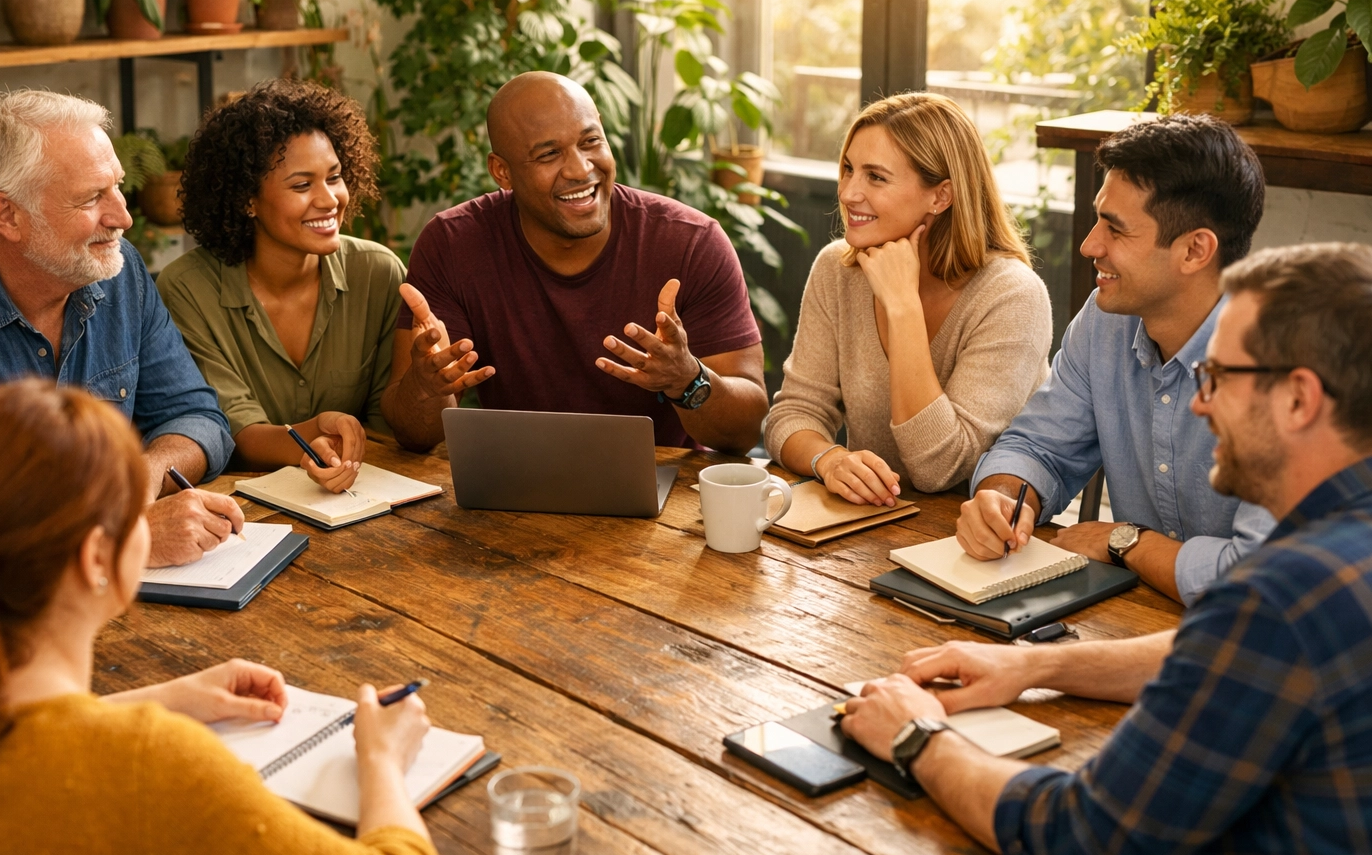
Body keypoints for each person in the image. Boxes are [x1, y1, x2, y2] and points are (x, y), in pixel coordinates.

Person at [842, 243, 1372, 855]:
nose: (1201, 402)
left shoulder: (1278, 596)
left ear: (1299, 399)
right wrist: (1035, 666)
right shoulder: (1333, 555)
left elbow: (1079, 843)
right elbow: (1216, 653)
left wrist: (916, 737)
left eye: (1218, 376)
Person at [0, 379, 444, 855]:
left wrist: (157, 699)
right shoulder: (151, 772)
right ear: (97, 559)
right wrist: (382, 759)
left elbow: (18, 740)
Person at [0, 90, 243, 597]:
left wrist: (145, 474)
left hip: (84, 606)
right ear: (7, 215)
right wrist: (118, 543)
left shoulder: (119, 274)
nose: (123, 217)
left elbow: (198, 417)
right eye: (92, 198)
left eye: (117, 188)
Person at [958, 114, 1275, 604]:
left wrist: (1127, 541)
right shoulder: (1106, 321)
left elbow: (1262, 578)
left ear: (1195, 250)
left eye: (1116, 230)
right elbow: (1039, 446)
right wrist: (1002, 497)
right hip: (1141, 615)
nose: (1090, 245)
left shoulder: (1288, 367)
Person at [381, 71, 768, 453]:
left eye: (590, 141)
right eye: (549, 154)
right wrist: (427, 387)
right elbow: (415, 434)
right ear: (502, 171)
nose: (581, 169)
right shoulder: (452, 246)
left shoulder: (691, 242)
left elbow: (746, 431)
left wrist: (687, 380)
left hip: (666, 484)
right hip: (516, 479)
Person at [766, 93, 1052, 503]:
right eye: (848, 169)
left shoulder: (1012, 296)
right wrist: (828, 459)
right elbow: (792, 414)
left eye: (875, 177)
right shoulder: (838, 269)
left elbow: (940, 469)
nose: (848, 193)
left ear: (941, 196)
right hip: (867, 522)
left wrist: (902, 308)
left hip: (967, 534)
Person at [159, 80, 404, 494]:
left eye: (335, 177)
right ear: (247, 199)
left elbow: (386, 429)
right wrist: (314, 435)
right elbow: (231, 429)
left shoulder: (378, 274)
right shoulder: (188, 288)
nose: (329, 200)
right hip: (240, 503)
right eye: (302, 185)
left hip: (360, 495)